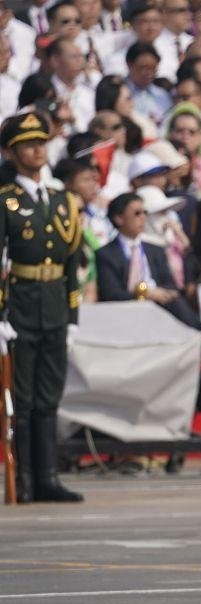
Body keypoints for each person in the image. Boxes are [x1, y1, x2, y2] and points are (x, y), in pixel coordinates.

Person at [0, 111, 85, 503]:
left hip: (53, 306)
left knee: (49, 395)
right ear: (11, 152)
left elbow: (71, 265)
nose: (37, 150)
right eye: (27, 144)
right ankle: (25, 479)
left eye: (41, 142)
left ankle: (48, 477)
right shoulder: (6, 201)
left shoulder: (62, 201)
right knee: (23, 398)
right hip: (20, 307)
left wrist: (72, 316)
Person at [95, 191, 200, 329]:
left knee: (177, 301)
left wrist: (160, 293)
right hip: (127, 310)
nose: (143, 218)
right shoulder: (106, 254)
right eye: (137, 213)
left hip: (160, 304)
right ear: (119, 218)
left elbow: (169, 284)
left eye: (144, 212)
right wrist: (145, 293)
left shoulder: (155, 250)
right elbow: (111, 294)